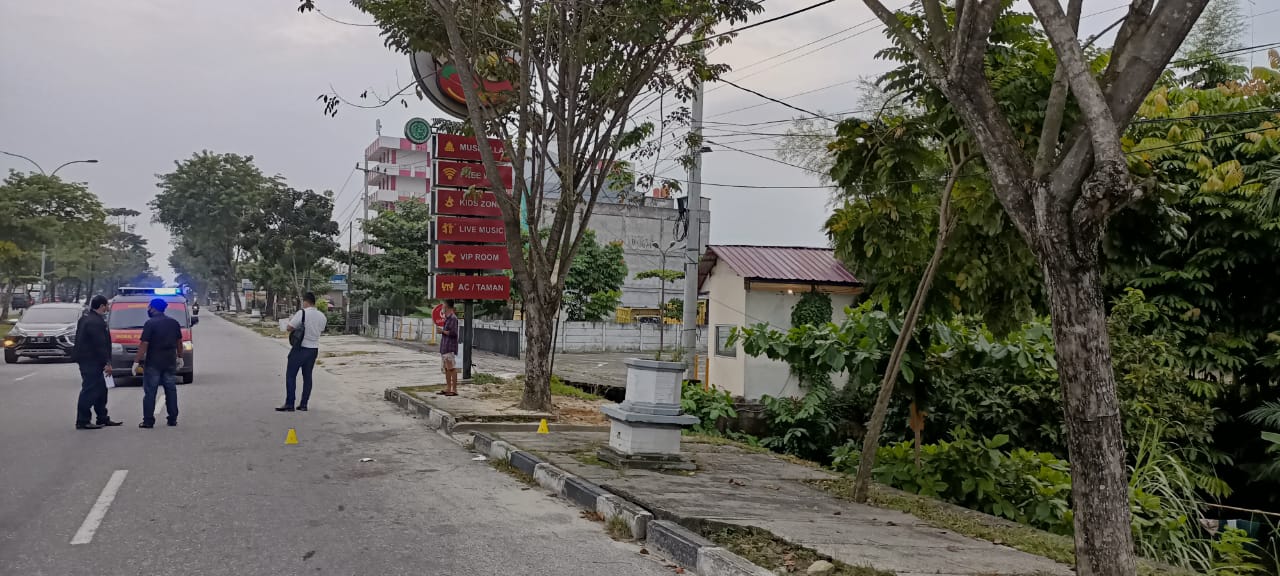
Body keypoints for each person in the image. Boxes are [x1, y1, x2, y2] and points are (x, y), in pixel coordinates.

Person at [73, 295, 122, 430]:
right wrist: (107, 362)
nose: (108, 307)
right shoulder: (96, 322)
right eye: (107, 305)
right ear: (101, 306)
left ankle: (102, 417)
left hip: (87, 359)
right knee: (89, 390)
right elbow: (100, 345)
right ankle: (82, 420)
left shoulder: (86, 318)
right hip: (91, 360)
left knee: (101, 390)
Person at [134, 298, 183, 428]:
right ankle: (172, 419)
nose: (148, 309)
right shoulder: (174, 323)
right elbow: (179, 341)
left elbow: (144, 343)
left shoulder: (150, 324)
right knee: (171, 390)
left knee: (150, 392)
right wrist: (180, 356)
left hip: (153, 363)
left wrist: (136, 361)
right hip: (170, 362)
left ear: (153, 308)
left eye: (149, 307)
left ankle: (148, 421)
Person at [278, 292, 327, 412]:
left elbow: (289, 327)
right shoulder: (322, 316)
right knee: (308, 377)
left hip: (300, 348)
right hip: (313, 349)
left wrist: (290, 322)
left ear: (306, 301)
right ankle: (304, 404)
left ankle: (290, 404)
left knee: (291, 376)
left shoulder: (302, 313)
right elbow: (321, 329)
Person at [438, 300, 459, 397]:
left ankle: (454, 389)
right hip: (444, 346)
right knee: (446, 368)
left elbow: (454, 333)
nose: (442, 307)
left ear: (447, 306)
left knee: (451, 368)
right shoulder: (447, 318)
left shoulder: (453, 318)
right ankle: (448, 388)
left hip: (449, 346)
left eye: (443, 305)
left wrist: (442, 331)